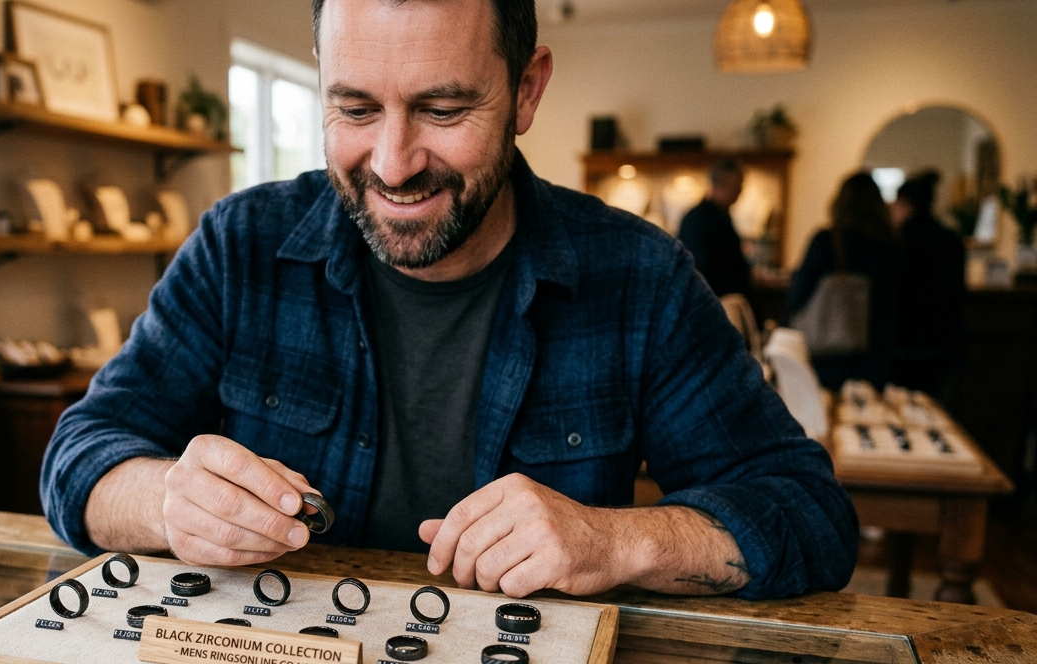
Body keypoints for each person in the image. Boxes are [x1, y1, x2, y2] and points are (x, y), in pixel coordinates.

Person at [42, 0, 856, 603]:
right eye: (355, 109)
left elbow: (809, 514)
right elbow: (77, 456)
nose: (393, 164)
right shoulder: (240, 246)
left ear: (528, 92)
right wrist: (165, 500)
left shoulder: (639, 276)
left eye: (442, 109)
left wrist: (616, 541)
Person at [787, 172, 900, 390]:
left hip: (830, 350)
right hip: (877, 350)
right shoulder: (891, 245)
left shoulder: (828, 241)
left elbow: (798, 293)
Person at [890, 170, 967, 399]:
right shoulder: (950, 239)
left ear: (904, 203)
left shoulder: (896, 239)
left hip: (900, 345)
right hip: (941, 345)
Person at [678, 157, 751, 297]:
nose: (740, 192)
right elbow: (700, 268)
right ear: (721, 185)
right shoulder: (699, 219)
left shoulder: (719, 216)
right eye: (737, 187)